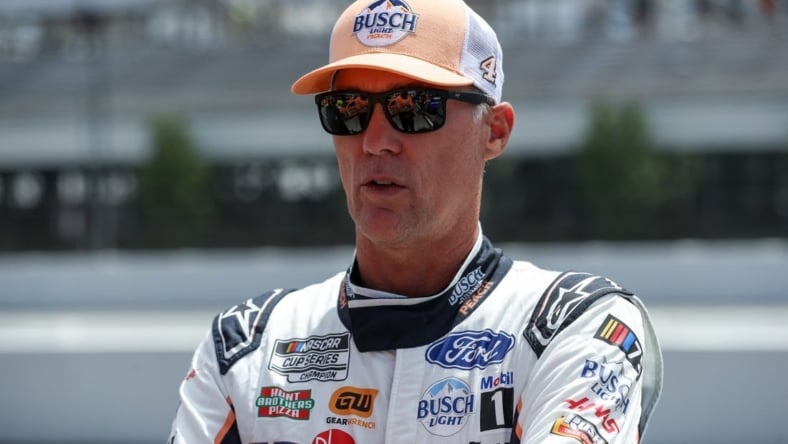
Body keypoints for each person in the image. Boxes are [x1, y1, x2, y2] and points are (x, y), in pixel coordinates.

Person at [168, 0, 663, 443]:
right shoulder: (246, 347)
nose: (375, 141)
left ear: (494, 131)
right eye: (348, 109)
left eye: (414, 108)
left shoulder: (575, 325)